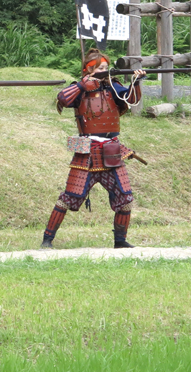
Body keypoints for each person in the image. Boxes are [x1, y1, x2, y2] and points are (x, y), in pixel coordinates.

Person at [41, 49, 145, 250]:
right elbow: (63, 98)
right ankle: (47, 240)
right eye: (100, 68)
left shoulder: (113, 88)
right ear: (89, 70)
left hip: (112, 149)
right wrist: (82, 84)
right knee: (69, 198)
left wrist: (136, 82)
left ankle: (120, 241)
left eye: (106, 68)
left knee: (125, 198)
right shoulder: (79, 89)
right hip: (87, 151)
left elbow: (129, 99)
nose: (104, 71)